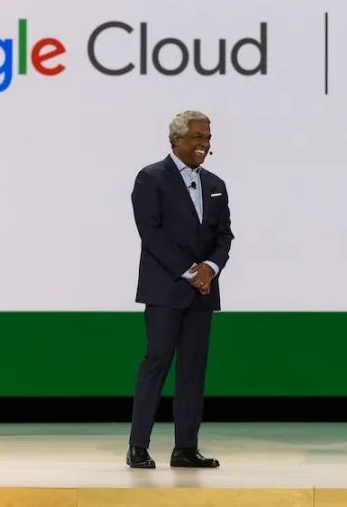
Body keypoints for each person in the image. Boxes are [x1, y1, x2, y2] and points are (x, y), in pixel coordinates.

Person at [126, 110, 234, 469]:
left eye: (208, 138)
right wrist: (191, 272)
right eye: (197, 137)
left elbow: (224, 236)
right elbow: (151, 233)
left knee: (193, 370)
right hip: (165, 291)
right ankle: (138, 446)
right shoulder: (151, 178)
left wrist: (210, 268)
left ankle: (186, 448)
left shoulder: (216, 183)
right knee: (156, 364)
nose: (204, 144)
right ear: (176, 140)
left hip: (202, 293)